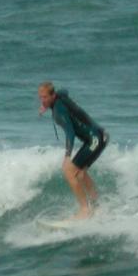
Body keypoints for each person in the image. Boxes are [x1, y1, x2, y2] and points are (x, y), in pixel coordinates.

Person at [37, 81, 108, 219]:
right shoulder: (60, 96)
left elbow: (70, 132)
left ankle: (84, 209)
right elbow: (65, 90)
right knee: (80, 174)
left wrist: (67, 156)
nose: (42, 100)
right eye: (40, 97)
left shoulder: (59, 112)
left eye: (45, 97)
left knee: (69, 171)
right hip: (99, 136)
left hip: (95, 139)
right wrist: (47, 105)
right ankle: (97, 206)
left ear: (52, 95)